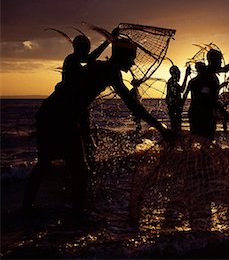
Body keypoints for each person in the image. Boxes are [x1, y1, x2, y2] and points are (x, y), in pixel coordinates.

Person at [23, 39, 172, 215]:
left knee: (48, 163)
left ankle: (29, 207)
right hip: (59, 117)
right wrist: (161, 128)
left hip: (51, 114)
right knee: (79, 169)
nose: (132, 63)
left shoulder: (101, 67)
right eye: (131, 58)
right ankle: (77, 216)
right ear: (120, 55)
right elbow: (133, 106)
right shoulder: (110, 71)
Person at [59, 34, 111, 169]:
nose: (86, 50)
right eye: (84, 47)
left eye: (86, 47)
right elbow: (90, 59)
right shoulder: (71, 59)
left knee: (85, 138)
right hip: (70, 110)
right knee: (80, 140)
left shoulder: (75, 60)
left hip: (77, 109)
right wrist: (107, 42)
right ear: (77, 48)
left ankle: (85, 165)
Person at [184, 48, 229, 140]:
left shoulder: (209, 73)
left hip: (198, 112)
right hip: (202, 114)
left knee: (199, 141)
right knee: (205, 141)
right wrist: (222, 110)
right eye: (219, 60)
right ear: (213, 61)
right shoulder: (208, 76)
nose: (220, 63)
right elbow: (206, 98)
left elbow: (226, 69)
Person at [165, 65, 191, 132]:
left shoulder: (171, 82)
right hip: (175, 109)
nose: (179, 76)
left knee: (175, 126)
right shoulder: (172, 82)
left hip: (174, 108)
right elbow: (182, 89)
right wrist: (186, 75)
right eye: (179, 74)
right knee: (176, 127)